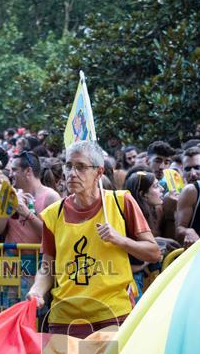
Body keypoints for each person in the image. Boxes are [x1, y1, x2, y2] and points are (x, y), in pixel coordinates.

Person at [28, 140, 160, 337]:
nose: (72, 173)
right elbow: (47, 267)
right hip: (65, 318)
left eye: (80, 167)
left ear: (98, 172)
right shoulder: (53, 214)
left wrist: (120, 240)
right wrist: (37, 290)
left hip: (114, 314)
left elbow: (154, 252)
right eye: (69, 166)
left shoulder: (121, 202)